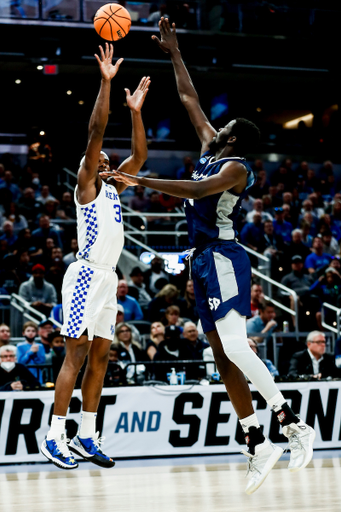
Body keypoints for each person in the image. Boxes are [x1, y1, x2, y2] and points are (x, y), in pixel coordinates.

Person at [102, 18, 316, 494]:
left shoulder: (236, 167)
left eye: (228, 126)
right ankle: (256, 441)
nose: (218, 126)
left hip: (224, 257)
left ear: (235, 138)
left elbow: (197, 189)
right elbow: (189, 100)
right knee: (219, 354)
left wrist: (138, 181)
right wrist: (174, 53)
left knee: (237, 347)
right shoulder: (210, 146)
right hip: (201, 260)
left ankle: (293, 423)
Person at [40, 43, 150, 470]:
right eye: (100, 160)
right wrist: (105, 84)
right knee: (76, 353)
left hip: (108, 279)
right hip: (84, 274)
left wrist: (136, 112)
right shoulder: (86, 186)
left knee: (102, 355)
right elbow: (96, 133)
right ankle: (54, 436)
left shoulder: (114, 188)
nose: (106, 161)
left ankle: (87, 434)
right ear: (89, 165)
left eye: (107, 161)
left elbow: (139, 157)